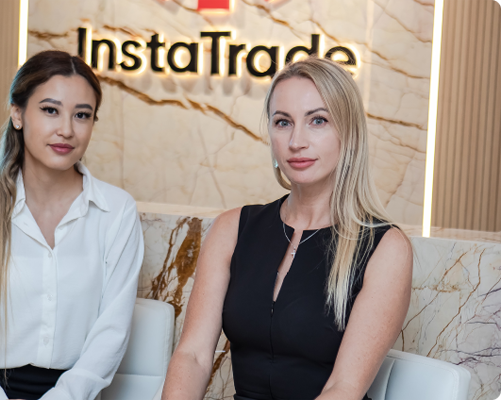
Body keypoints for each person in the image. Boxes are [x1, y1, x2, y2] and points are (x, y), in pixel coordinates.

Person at [161, 57, 413, 400]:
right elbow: (193, 356)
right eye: (283, 122)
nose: (296, 141)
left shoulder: (385, 247)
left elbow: (343, 389)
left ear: (349, 133)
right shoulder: (232, 229)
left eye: (318, 121)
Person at [0, 50, 144, 400]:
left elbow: (110, 335)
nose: (66, 130)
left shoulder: (116, 211)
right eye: (50, 110)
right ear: (18, 114)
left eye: (81, 115)